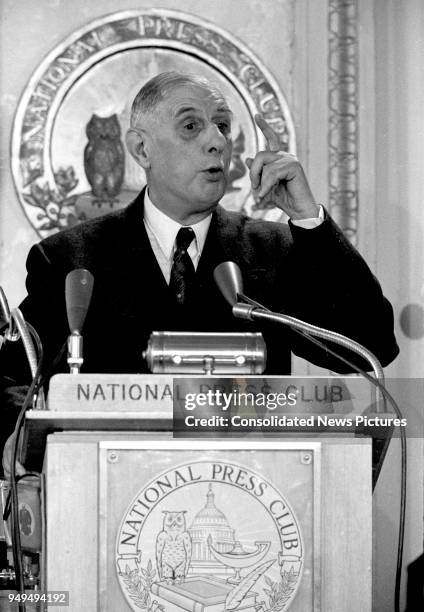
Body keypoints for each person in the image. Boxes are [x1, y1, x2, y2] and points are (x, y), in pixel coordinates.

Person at [1, 71, 398, 466]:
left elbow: (369, 347)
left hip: (252, 495)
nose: (217, 142)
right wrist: (26, 442)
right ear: (141, 149)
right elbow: (12, 384)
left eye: (223, 126)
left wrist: (308, 219)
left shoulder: (273, 249)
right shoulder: (71, 259)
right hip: (109, 498)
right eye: (192, 126)